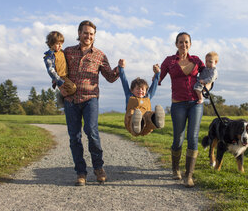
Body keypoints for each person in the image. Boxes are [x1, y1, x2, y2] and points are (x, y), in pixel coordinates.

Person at [63, 20, 120, 186]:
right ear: (79, 33)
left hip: (90, 98)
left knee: (91, 131)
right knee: (74, 137)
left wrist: (119, 68)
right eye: (85, 33)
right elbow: (60, 71)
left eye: (91, 34)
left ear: (94, 36)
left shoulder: (100, 55)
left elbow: (110, 77)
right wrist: (59, 87)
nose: (88, 36)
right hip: (71, 99)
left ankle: (98, 167)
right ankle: (81, 172)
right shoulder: (68, 52)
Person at [159, 32, 205, 188]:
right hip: (178, 104)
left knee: (193, 137)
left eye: (186, 42)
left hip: (195, 103)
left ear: (190, 44)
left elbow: (210, 75)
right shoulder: (169, 61)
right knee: (178, 139)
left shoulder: (197, 60)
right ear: (176, 44)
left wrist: (207, 86)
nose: (183, 44)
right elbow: (159, 78)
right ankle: (175, 168)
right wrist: (155, 75)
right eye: (180, 42)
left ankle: (189, 176)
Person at [118, 59, 165, 136]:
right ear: (132, 90)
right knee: (132, 113)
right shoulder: (129, 96)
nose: (140, 91)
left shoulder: (148, 96)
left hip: (146, 125)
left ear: (146, 91)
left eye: (142, 89)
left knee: (149, 114)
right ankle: (136, 123)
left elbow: (155, 84)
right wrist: (121, 68)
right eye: (137, 89)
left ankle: (157, 121)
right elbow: (124, 81)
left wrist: (158, 73)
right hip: (131, 125)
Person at [43, 31, 77, 104]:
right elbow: (50, 70)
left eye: (61, 44)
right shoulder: (49, 56)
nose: (60, 46)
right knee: (73, 88)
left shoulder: (62, 52)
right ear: (51, 44)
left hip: (66, 74)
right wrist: (59, 82)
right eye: (58, 44)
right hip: (60, 77)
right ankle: (62, 96)